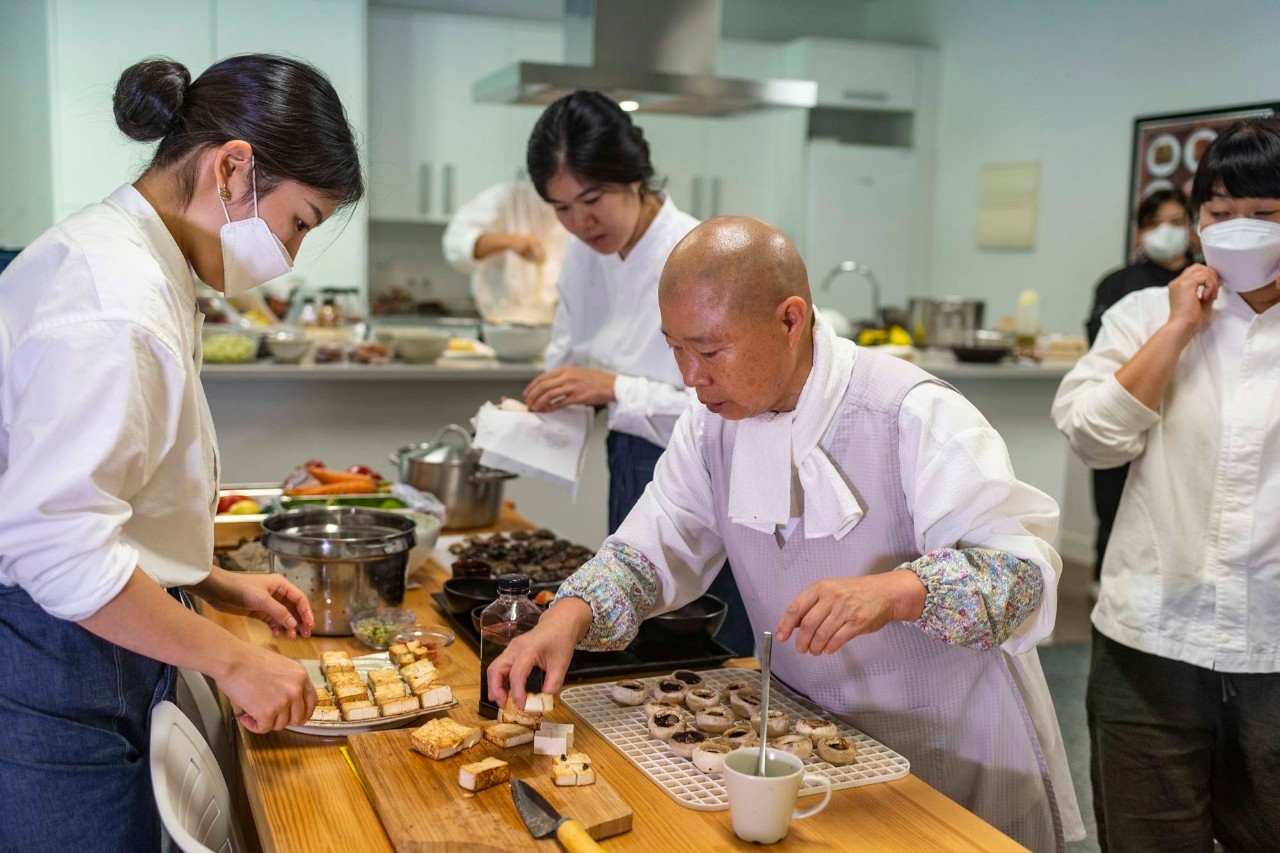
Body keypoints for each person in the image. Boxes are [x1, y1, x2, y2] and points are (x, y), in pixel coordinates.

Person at [491, 216, 1084, 852]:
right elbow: (651, 547)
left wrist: (898, 588)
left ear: (790, 319)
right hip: (808, 739)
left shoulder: (911, 412)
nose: (692, 376)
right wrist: (569, 615)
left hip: (947, 746)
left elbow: (1022, 578)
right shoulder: (710, 424)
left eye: (712, 351)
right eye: (675, 349)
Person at [0, 55, 363, 851]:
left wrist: (211, 578)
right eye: (299, 222)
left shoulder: (144, 262)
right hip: (57, 653)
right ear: (232, 168)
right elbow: (56, 548)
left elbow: (108, 495)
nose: (291, 256)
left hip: (92, 635)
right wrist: (236, 662)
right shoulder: (112, 304)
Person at [1053, 118, 1280, 853]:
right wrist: (1179, 328)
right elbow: (1093, 434)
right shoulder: (1144, 314)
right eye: (1219, 214)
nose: (1238, 231)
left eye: (1265, 216)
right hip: (1150, 638)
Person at [520, 90, 752, 656]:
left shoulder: (697, 252)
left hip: (714, 468)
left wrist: (614, 387)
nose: (580, 222)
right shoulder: (583, 254)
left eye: (591, 198)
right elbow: (568, 351)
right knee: (636, 625)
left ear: (633, 176)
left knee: (713, 641)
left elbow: (741, 407)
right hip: (630, 454)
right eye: (561, 208)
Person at [1083, 188, 1196, 595]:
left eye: (1175, 222)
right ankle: (1106, 582)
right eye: (1153, 223)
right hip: (1127, 405)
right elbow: (1100, 355)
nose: (1165, 232)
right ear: (1139, 233)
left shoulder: (1207, 283)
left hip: (1184, 411)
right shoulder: (1119, 287)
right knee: (1114, 501)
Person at [442, 178, 567, 324]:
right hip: (500, 324)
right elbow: (455, 244)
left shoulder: (582, 207)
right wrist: (510, 241)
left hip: (560, 328)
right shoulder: (508, 198)